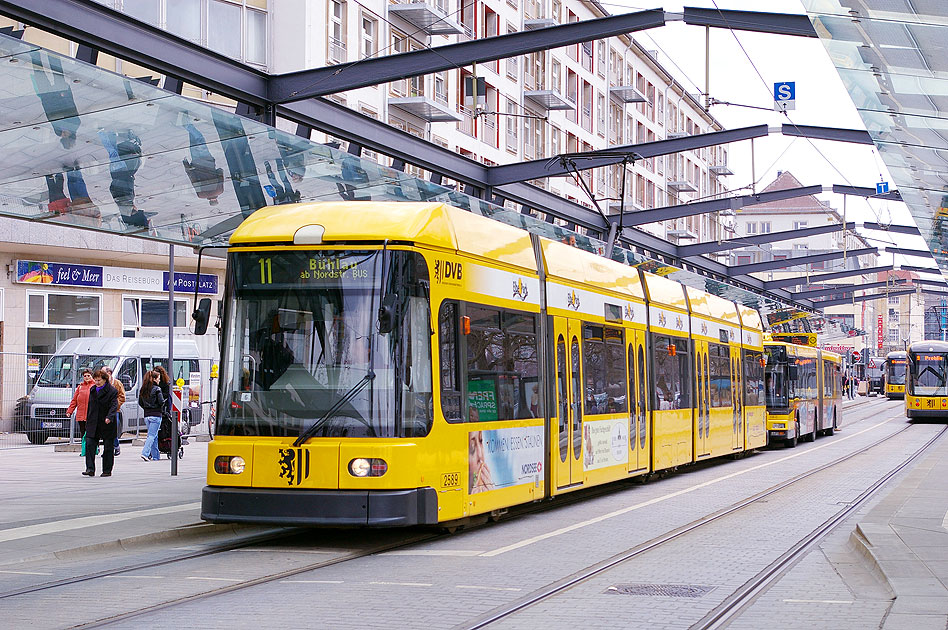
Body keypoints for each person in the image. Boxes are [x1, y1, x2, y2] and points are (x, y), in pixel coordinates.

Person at [83, 369, 118, 477]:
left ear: (104, 380)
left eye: (99, 380)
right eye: (96, 380)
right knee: (89, 444)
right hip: (93, 421)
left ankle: (107, 470)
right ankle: (90, 468)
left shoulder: (112, 391)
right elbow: (90, 406)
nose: (97, 383)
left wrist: (109, 417)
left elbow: (113, 406)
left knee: (108, 447)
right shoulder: (93, 389)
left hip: (106, 422)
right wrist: (88, 419)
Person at [65, 369, 94, 458]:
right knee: (83, 433)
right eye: (85, 376)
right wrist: (70, 411)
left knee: (91, 433)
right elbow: (74, 400)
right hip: (81, 414)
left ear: (91, 376)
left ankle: (93, 448)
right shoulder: (80, 387)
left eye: (88, 376)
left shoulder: (95, 386)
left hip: (91, 415)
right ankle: (84, 450)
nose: (86, 378)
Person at [138, 370, 165, 462]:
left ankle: (156, 456)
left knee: (154, 435)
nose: (159, 381)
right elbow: (161, 402)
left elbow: (140, 402)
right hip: (156, 414)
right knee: (151, 435)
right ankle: (145, 453)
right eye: (158, 379)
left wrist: (147, 408)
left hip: (147, 415)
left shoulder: (143, 389)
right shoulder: (157, 389)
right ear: (154, 379)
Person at [103, 366, 125, 456]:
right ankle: (107, 449)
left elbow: (122, 396)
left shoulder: (117, 383)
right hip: (103, 410)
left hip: (114, 411)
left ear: (109, 373)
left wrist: (115, 406)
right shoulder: (102, 383)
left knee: (113, 429)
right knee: (104, 430)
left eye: (103, 372)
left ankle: (116, 446)